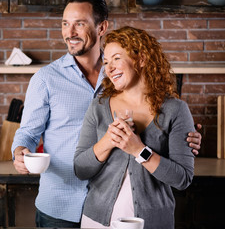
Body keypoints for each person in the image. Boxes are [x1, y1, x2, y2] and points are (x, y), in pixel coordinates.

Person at [11, 0, 201, 228]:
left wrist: (184, 135)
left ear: (102, 27)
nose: (69, 33)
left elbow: (167, 133)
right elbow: (28, 133)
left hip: (119, 208)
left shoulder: (120, 73)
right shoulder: (46, 79)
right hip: (63, 203)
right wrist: (20, 151)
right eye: (65, 24)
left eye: (79, 24)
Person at [74, 26, 195, 229]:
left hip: (153, 223)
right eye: (106, 61)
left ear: (141, 59)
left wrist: (139, 150)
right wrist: (107, 142)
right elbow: (80, 169)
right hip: (97, 222)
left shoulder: (175, 109)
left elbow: (182, 179)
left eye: (117, 58)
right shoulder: (99, 106)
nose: (109, 68)